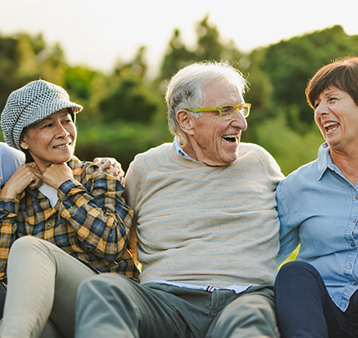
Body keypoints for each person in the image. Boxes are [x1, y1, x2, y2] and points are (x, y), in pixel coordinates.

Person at [75, 61, 284, 338]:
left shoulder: (258, 161)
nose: (241, 122)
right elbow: (126, 236)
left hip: (244, 298)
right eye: (226, 111)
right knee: (103, 290)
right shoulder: (146, 168)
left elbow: (297, 214)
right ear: (186, 120)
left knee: (251, 325)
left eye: (241, 109)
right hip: (166, 301)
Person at [0, 80, 139, 338]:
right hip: (51, 313)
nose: (63, 131)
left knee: (29, 247)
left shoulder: (98, 175)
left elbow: (113, 244)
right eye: (48, 125)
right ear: (23, 141)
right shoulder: (19, 194)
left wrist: (67, 187)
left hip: (106, 306)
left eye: (67, 120)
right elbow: (4, 277)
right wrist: (7, 197)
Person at [274, 56, 358, 338]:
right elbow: (263, 256)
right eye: (317, 104)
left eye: (332, 99)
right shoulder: (297, 186)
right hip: (322, 314)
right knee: (294, 273)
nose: (321, 111)